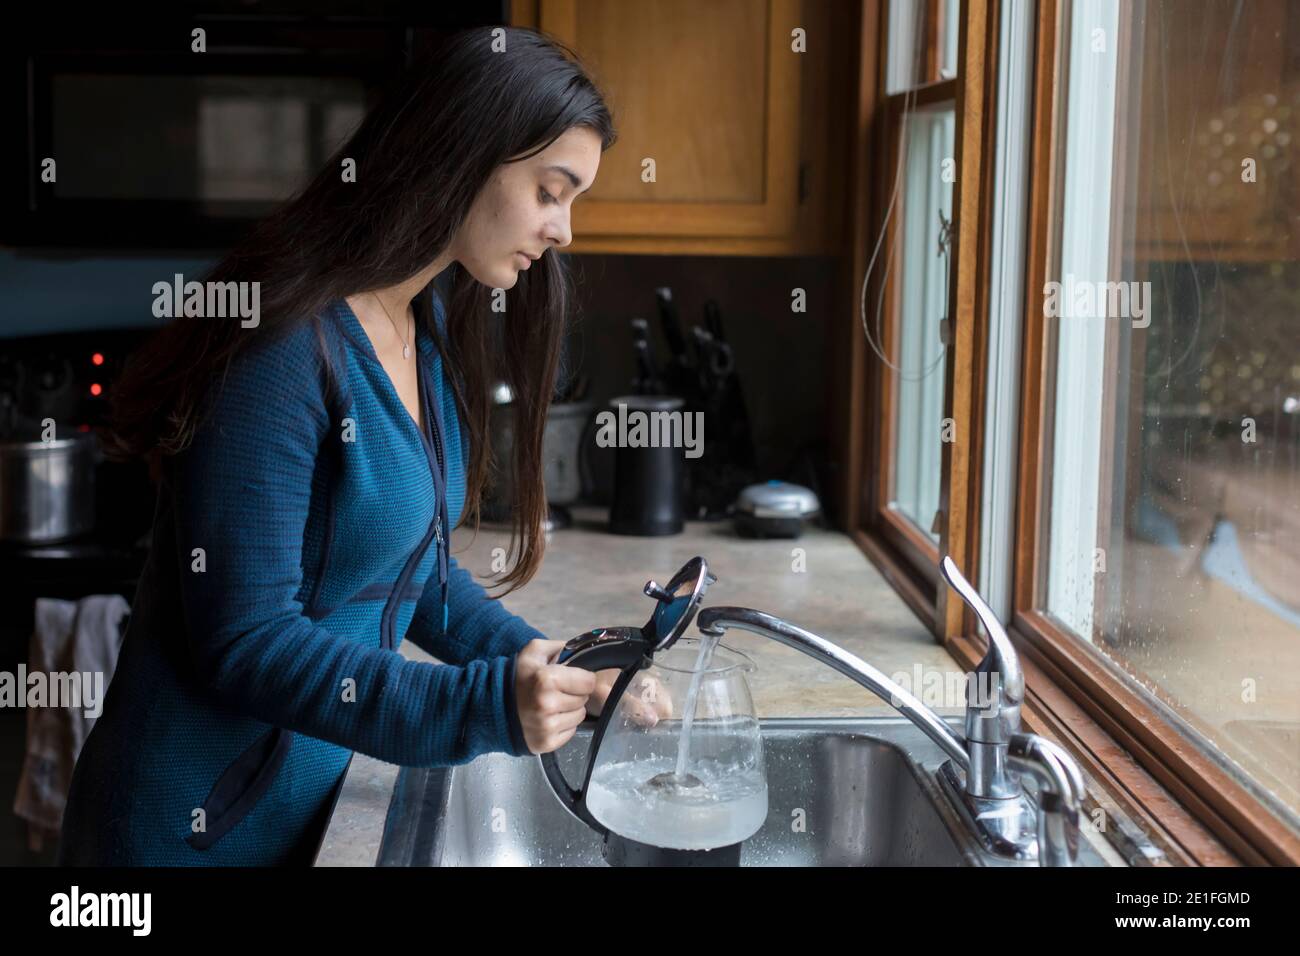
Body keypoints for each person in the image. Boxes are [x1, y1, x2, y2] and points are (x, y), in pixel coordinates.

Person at [57, 26, 660, 867]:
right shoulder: (281, 353)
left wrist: (558, 666)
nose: (564, 229)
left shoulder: (424, 325)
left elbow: (412, 572)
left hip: (295, 814)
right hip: (181, 837)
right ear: (464, 155)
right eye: (551, 190)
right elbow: (246, 641)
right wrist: (485, 707)